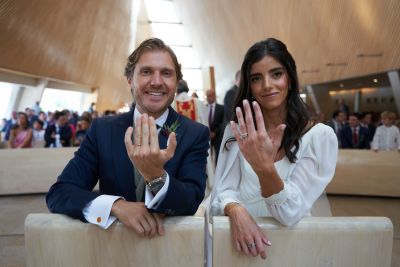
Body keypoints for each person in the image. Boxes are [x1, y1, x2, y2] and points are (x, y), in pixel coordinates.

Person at [46, 38, 209, 238]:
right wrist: (116, 205)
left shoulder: (195, 133)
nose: (157, 81)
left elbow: (191, 200)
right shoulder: (103, 130)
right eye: (146, 71)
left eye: (166, 73)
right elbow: (60, 193)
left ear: (176, 82)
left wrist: (156, 177)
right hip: (114, 249)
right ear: (130, 79)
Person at [208, 38, 338, 260]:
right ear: (249, 85)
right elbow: (222, 191)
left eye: (276, 74)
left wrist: (264, 168)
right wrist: (236, 210)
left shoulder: (318, 137)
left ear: (290, 77)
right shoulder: (238, 131)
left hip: (292, 247)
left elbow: (290, 212)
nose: (267, 85)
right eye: (256, 78)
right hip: (241, 245)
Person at [206, 89, 224, 163]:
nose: (208, 98)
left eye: (210, 96)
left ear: (214, 96)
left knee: (218, 157)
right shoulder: (204, 107)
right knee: (208, 157)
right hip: (207, 137)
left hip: (217, 136)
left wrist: (215, 133)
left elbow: (223, 123)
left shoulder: (221, 108)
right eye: (207, 96)